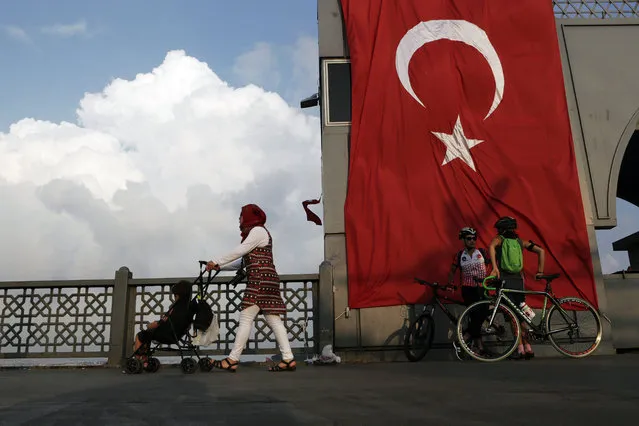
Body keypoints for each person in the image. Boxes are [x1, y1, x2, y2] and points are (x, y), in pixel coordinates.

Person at [205, 204, 296, 373]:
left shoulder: (258, 231)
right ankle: (288, 358)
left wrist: (216, 260)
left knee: (246, 317)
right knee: (273, 320)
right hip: (268, 279)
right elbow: (243, 261)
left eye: (240, 216)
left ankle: (232, 359)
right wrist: (220, 267)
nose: (239, 219)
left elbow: (241, 250)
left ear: (248, 216)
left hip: (259, 280)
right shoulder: (258, 233)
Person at [488, 216, 545, 359]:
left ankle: (519, 349)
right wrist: (540, 271)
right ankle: (528, 348)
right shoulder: (520, 242)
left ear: (502, 229)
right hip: (519, 281)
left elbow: (491, 246)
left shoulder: (499, 240)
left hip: (505, 280)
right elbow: (541, 251)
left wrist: (495, 268)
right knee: (520, 315)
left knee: (511, 315)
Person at [448, 227, 490, 353]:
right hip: (468, 289)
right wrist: (450, 283)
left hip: (482, 288)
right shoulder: (460, 255)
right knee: (474, 316)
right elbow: (452, 270)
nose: (472, 241)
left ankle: (465, 338)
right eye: (469, 238)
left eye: (474, 238)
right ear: (463, 240)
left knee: (482, 314)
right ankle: (480, 347)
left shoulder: (482, 252)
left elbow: (491, 265)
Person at [133, 280, 196, 366]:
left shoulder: (175, 308)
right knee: (148, 335)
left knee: (141, 335)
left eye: (175, 295)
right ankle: (145, 360)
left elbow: (161, 322)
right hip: (178, 335)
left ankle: (137, 360)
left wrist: (150, 325)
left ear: (177, 295)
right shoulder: (189, 308)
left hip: (166, 335)